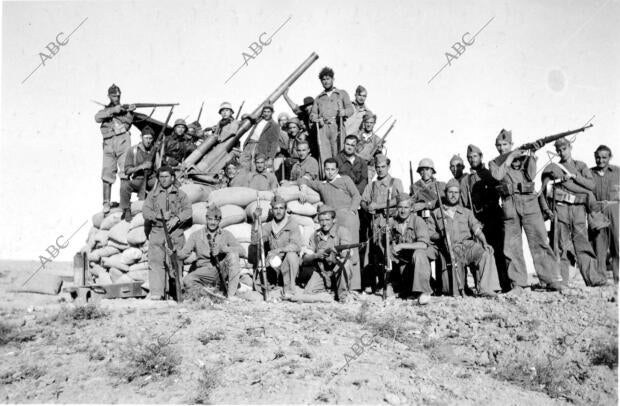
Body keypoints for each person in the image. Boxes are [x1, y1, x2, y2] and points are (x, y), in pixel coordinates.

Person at [489, 129, 565, 292]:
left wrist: (531, 154)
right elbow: (497, 175)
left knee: (539, 240)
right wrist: (509, 157)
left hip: (529, 201)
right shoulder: (495, 162)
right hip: (509, 203)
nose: (502, 148)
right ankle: (519, 283)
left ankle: (551, 279)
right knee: (512, 246)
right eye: (499, 145)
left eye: (505, 145)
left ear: (511, 144)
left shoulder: (523, 157)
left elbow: (530, 176)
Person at [540, 138, 607, 286]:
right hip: (561, 208)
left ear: (570, 147)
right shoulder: (553, 168)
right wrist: (546, 210)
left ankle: (593, 279)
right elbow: (543, 191)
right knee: (561, 246)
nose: (561, 152)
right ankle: (561, 282)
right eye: (558, 150)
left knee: (583, 244)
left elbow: (591, 185)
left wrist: (575, 176)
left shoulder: (581, 166)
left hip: (578, 209)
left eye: (564, 149)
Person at [428, 179, 501, 297]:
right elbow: (430, 234)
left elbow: (477, 229)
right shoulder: (436, 213)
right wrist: (442, 234)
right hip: (450, 248)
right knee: (454, 291)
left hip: (467, 246)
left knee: (486, 253)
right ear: (445, 193)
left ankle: (486, 289)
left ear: (460, 194)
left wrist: (485, 242)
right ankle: (460, 289)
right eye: (450, 192)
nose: (453, 195)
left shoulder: (466, 212)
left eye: (456, 193)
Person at [298, 158, 362, 290]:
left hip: (348, 218)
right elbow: (304, 180)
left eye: (333, 169)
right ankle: (337, 285)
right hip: (333, 221)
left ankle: (354, 287)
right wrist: (303, 188)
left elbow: (356, 195)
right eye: (327, 169)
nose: (330, 172)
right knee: (335, 251)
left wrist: (351, 211)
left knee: (350, 250)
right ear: (324, 170)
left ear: (337, 170)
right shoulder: (322, 184)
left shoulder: (345, 180)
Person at [460, 144, 508, 291]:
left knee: (499, 251)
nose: (472, 159)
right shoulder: (465, 180)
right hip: (477, 219)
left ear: (481, 157)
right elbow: (464, 204)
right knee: (481, 251)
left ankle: (504, 285)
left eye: (475, 156)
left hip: (494, 216)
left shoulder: (491, 173)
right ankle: (484, 286)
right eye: (469, 157)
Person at [142, 166, 193, 300]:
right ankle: (157, 294)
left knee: (176, 261)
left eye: (166, 177)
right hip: (157, 230)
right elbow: (145, 212)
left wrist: (177, 218)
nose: (163, 180)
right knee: (156, 261)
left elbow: (188, 211)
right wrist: (159, 216)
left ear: (172, 177)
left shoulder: (180, 194)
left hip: (175, 232)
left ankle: (177, 292)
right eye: (161, 177)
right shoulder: (152, 195)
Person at [360, 154, 403, 294]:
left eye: (383, 167)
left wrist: (378, 205)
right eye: (377, 167)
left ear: (388, 167)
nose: (380, 170)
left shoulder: (395, 182)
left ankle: (391, 283)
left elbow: (400, 200)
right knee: (375, 254)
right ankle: (378, 283)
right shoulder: (371, 185)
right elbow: (363, 201)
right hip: (375, 224)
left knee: (390, 252)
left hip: (390, 223)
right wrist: (368, 208)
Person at [178, 205, 243, 296]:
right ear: (206, 219)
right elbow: (183, 254)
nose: (212, 223)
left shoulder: (226, 234)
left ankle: (230, 296)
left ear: (220, 220)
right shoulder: (196, 235)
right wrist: (174, 252)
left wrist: (223, 249)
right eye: (210, 219)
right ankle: (209, 294)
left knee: (233, 255)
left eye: (216, 220)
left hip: (221, 270)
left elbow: (242, 251)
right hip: (204, 272)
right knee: (187, 280)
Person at [94, 84, 135, 213]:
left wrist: (127, 111)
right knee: (107, 172)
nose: (116, 98)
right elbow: (97, 118)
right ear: (109, 96)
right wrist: (113, 110)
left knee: (124, 171)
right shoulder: (105, 111)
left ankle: (124, 202)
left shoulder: (126, 109)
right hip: (108, 143)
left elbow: (128, 123)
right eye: (113, 96)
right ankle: (106, 203)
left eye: (118, 96)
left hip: (122, 140)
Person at [250, 196, 302, 296]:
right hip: (274, 261)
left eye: (281, 208)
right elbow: (255, 241)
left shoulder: (292, 224)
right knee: (258, 285)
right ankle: (275, 284)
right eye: (275, 208)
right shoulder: (269, 226)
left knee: (292, 256)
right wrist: (256, 220)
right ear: (272, 210)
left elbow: (296, 246)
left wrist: (279, 250)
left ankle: (289, 289)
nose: (278, 211)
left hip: (287, 261)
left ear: (285, 210)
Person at [301, 205, 354, 302]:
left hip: (338, 271)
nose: (324, 223)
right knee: (308, 293)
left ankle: (342, 295)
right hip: (323, 273)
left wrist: (335, 255)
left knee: (345, 264)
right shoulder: (315, 235)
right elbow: (305, 258)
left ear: (334, 220)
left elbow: (348, 255)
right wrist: (316, 255)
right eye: (321, 220)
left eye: (327, 219)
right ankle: (330, 291)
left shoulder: (342, 232)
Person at [389, 193, 433, 304]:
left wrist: (402, 246)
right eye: (400, 207)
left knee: (419, 253)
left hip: (419, 261)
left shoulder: (418, 221)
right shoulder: (394, 222)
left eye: (406, 207)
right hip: (404, 263)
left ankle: (424, 291)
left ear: (411, 208)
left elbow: (423, 244)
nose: (403, 211)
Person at [310, 67, 354, 160]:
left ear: (333, 79)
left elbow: (350, 109)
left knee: (339, 153)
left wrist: (344, 112)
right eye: (323, 80)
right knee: (324, 156)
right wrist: (317, 119)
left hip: (337, 127)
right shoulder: (318, 98)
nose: (326, 82)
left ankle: (340, 174)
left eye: (328, 79)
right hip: (323, 129)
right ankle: (327, 175)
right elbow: (313, 114)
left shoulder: (342, 93)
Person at [590, 145, 619, 282]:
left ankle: (618, 279)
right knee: (599, 246)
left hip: (615, 210)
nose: (600, 160)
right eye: (598, 157)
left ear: (610, 157)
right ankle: (601, 279)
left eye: (604, 157)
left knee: (617, 244)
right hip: (597, 210)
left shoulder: (617, 172)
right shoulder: (589, 173)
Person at [120, 126, 156, 222]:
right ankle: (126, 209)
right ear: (141, 137)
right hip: (138, 179)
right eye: (146, 138)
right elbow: (127, 170)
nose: (148, 141)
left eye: (150, 138)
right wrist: (141, 167)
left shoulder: (155, 150)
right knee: (124, 186)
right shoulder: (133, 150)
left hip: (151, 179)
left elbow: (160, 167)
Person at [241, 103, 281, 169]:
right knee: (243, 165)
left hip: (260, 148)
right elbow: (243, 117)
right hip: (249, 144)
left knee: (255, 168)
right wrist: (251, 115)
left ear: (272, 112)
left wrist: (271, 158)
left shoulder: (274, 125)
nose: (266, 113)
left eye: (268, 112)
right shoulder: (258, 120)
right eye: (264, 111)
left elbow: (274, 142)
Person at [411, 158, 446, 223]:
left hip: (437, 218)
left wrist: (425, 205)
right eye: (422, 170)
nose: (424, 172)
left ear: (432, 171)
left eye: (427, 169)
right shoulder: (415, 187)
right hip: (421, 219)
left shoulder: (440, 185)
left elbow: (443, 201)